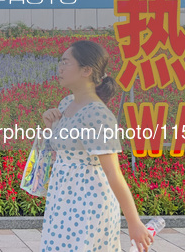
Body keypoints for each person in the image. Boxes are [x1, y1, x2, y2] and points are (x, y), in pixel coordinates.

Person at [39, 40, 154, 252]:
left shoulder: (98, 116)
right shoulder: (66, 103)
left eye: (66, 62)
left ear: (87, 70)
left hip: (87, 201)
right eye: (60, 62)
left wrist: (134, 223)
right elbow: (60, 152)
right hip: (62, 197)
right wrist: (48, 127)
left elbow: (113, 173)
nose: (60, 67)